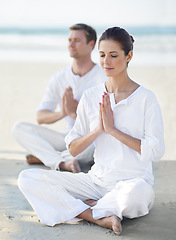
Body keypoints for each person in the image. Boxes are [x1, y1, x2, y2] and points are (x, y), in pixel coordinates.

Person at [17, 27, 165, 235]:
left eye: (114, 55)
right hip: (95, 181)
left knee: (137, 196)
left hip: (132, 182)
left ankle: (82, 208)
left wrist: (113, 130)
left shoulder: (145, 98)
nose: (106, 62)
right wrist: (98, 130)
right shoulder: (91, 96)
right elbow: (74, 148)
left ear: (129, 55)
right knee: (28, 178)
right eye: (102, 55)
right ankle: (93, 212)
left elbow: (156, 151)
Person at [12, 23, 107, 172]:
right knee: (18, 128)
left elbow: (105, 123)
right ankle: (62, 162)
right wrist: (63, 112)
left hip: (89, 139)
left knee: (99, 142)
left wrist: (75, 113)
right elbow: (41, 117)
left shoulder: (103, 77)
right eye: (69, 40)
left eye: (76, 40)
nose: (71, 44)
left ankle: (47, 157)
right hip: (67, 138)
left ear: (91, 45)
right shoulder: (59, 78)